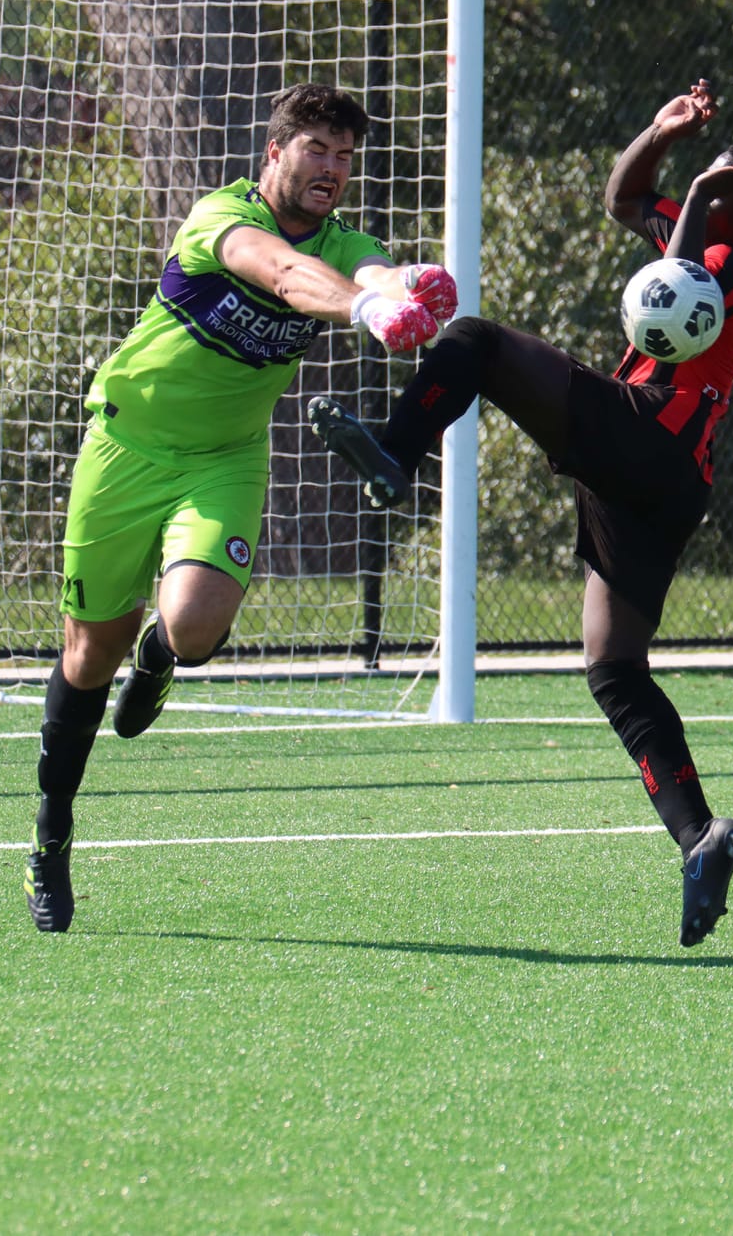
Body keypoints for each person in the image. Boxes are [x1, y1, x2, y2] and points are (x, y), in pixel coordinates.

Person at [307, 80, 733, 947]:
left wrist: (703, 191)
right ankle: (699, 837)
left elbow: (670, 293)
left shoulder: (730, 262)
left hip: (647, 432)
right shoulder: (711, 240)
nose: (715, 181)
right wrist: (660, 133)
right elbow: (624, 200)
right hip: (670, 481)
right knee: (615, 669)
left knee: (475, 342)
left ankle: (393, 454)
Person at [24, 82, 458, 933]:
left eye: (345, 156)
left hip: (224, 459)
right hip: (126, 445)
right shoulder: (218, 217)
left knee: (192, 628)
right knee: (87, 654)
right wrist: (371, 306)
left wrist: (408, 282)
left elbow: (369, 268)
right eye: (316, 149)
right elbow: (286, 275)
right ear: (275, 152)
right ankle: (51, 834)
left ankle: (160, 656)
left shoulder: (345, 242)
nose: (332, 168)